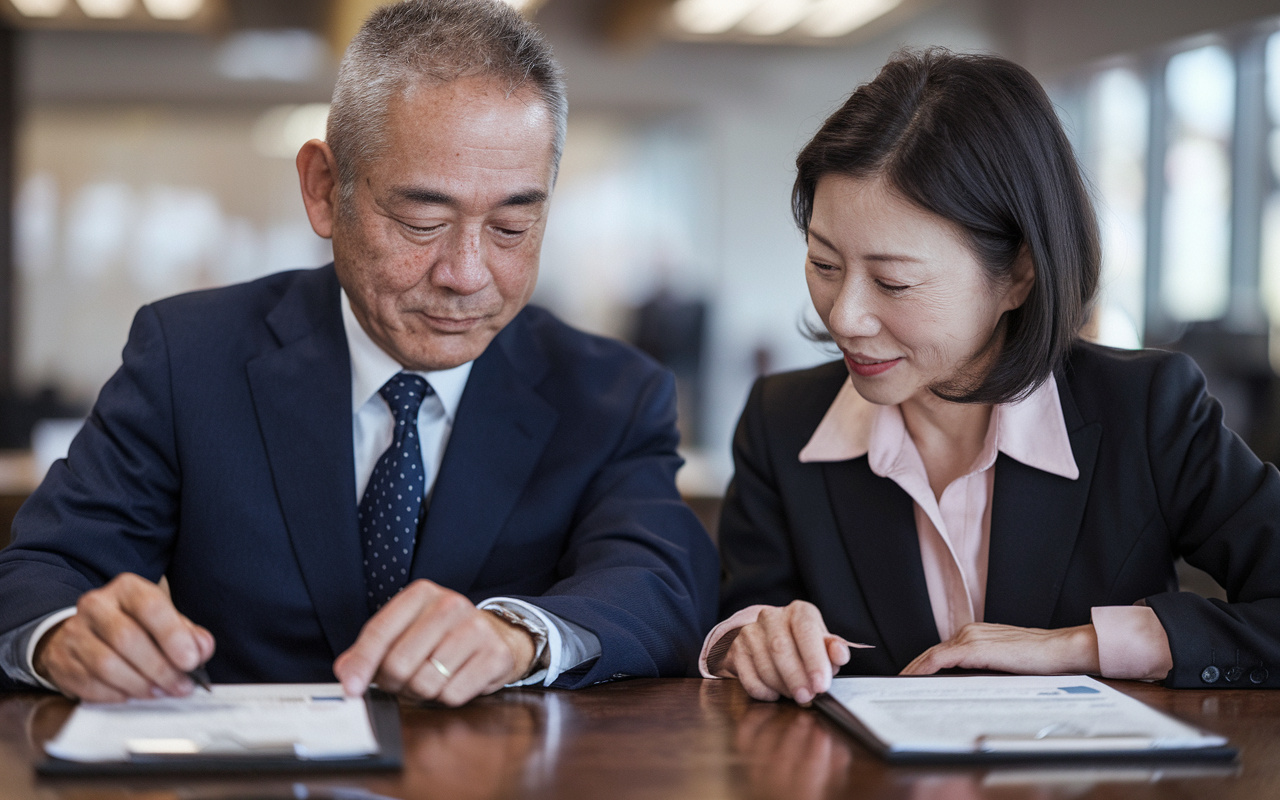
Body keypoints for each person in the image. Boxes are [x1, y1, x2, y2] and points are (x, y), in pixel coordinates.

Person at [0, 0, 717, 706]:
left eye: (510, 228)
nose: (466, 275)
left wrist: (518, 636)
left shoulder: (611, 393)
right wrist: (65, 637)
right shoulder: (190, 358)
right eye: (422, 221)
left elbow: (659, 584)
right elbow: (41, 571)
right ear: (323, 190)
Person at [700, 48, 1280, 704]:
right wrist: (751, 642)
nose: (845, 316)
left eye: (894, 281)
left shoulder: (1147, 411)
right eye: (825, 265)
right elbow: (744, 611)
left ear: (1018, 274)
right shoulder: (782, 423)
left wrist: (1079, 647)